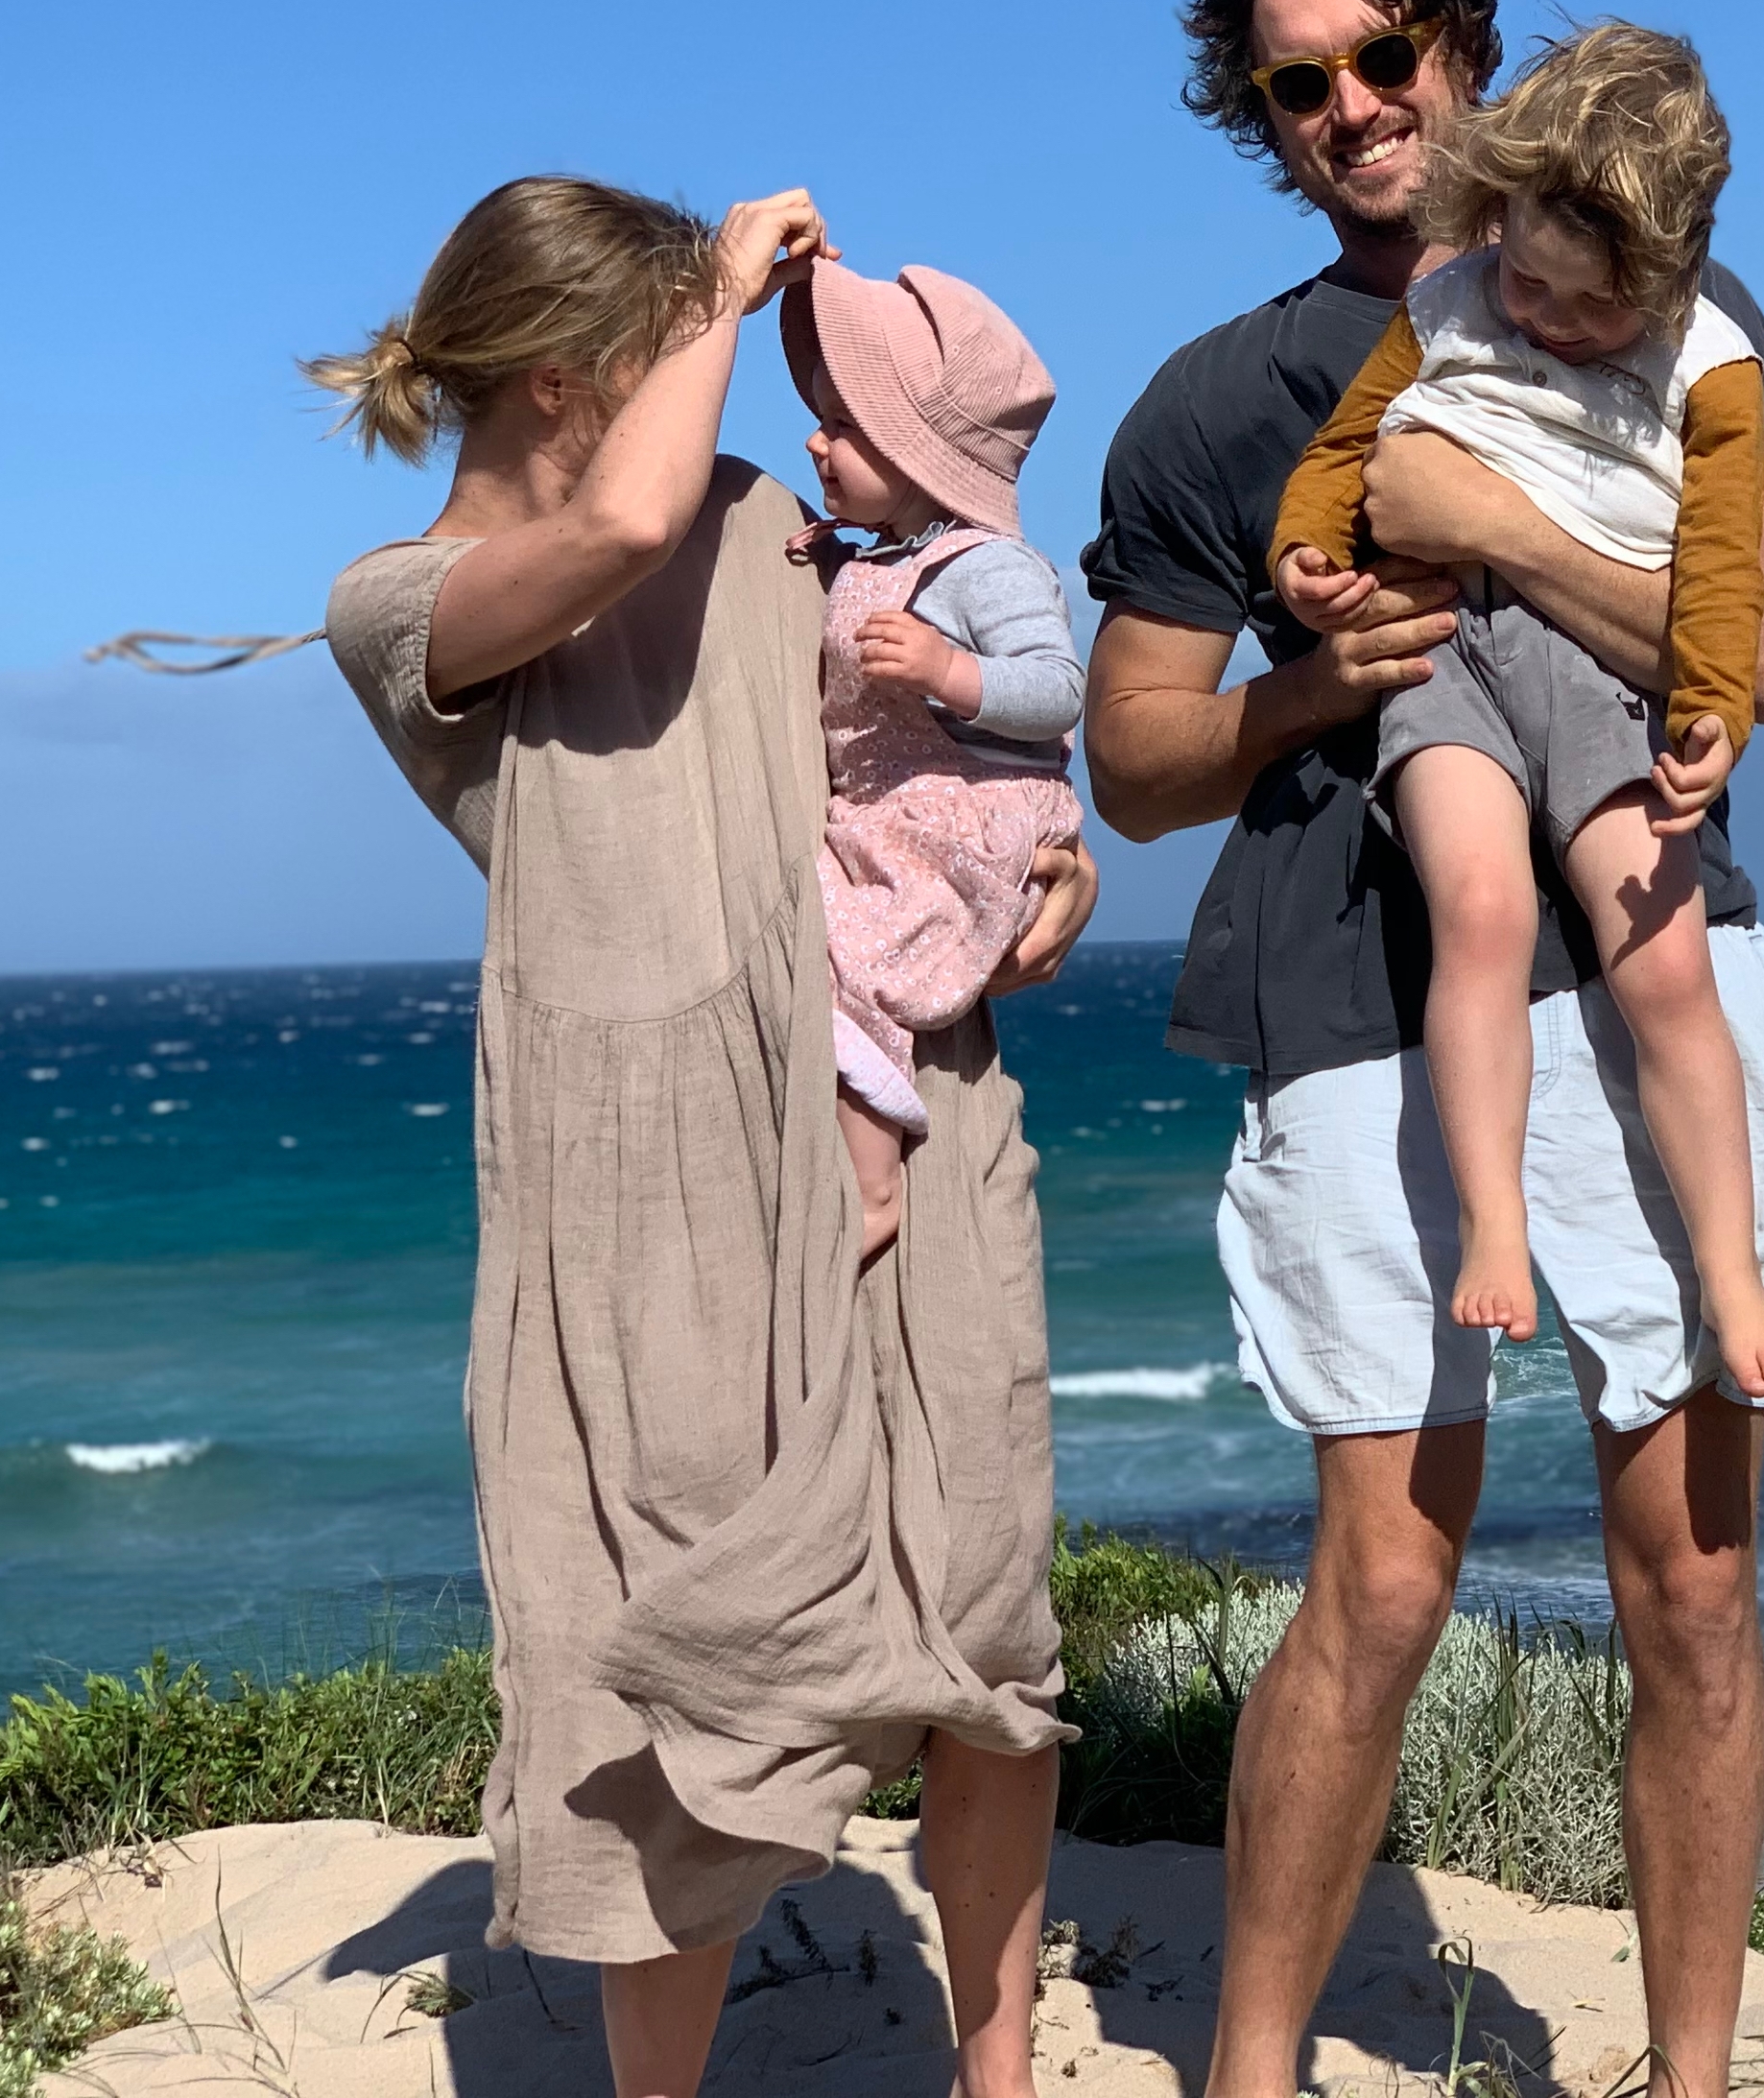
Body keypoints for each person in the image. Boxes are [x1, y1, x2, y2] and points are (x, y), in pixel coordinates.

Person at [1082, 0, 1764, 2098]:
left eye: (1381, 63)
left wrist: (1494, 540)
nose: (1346, 112)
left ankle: (1689, 2075)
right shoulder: (1220, 402)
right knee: (1380, 1581)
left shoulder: (1689, 303)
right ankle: (1246, 2070)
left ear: (1464, 53)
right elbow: (1132, 764)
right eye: (1294, 85)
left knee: (1686, 1571)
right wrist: (1317, 686)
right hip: (1346, 1002)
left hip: (1651, 951)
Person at [312, 179, 1092, 2098]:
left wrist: (1041, 882)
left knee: (984, 1640)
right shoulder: (400, 606)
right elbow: (621, 519)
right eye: (681, 346)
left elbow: (924, 755)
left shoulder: (770, 524)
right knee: (646, 1689)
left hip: (905, 1097)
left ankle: (998, 2082)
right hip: (648, 1183)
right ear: (587, 364)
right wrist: (723, 287)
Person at [1267, 22, 1764, 1396]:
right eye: (1527, 278)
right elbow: (1345, 453)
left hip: (1596, 662)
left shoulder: (1715, 365)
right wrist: (1306, 558)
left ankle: (1729, 1276)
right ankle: (1494, 1223)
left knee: (1668, 968)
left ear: (1668, 274)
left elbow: (1728, 565)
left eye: (1587, 307)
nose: (1546, 321)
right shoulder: (1450, 307)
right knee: (1483, 915)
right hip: (1443, 643)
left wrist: (1707, 714)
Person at [780, 258, 1085, 1260]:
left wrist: (949, 671)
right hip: (896, 812)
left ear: (922, 452)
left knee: (844, 960)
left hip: (962, 819)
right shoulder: (882, 556)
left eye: (848, 426)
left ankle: (873, 1184)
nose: (818, 441)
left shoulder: (988, 567)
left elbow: (1058, 689)